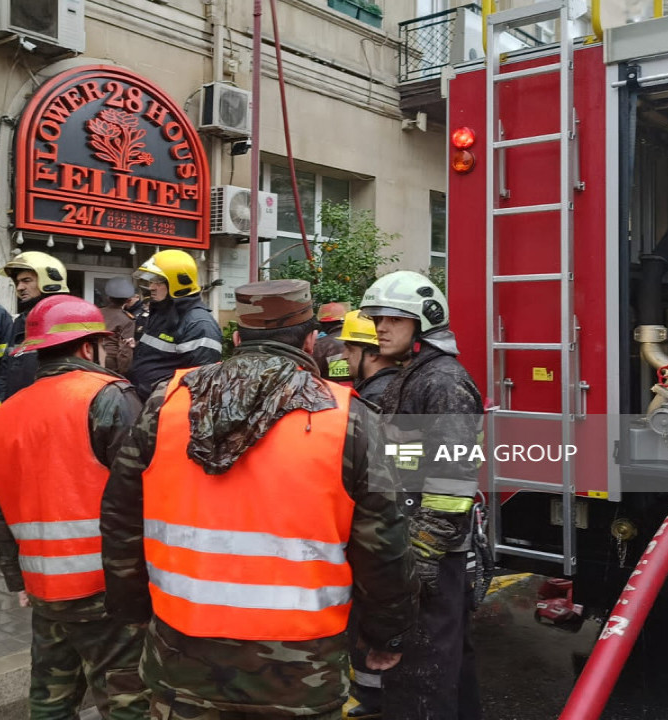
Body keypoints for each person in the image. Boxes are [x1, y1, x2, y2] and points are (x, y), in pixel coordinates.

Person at [101, 278, 418, 719]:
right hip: (301, 672)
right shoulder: (348, 420)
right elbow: (383, 545)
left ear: (235, 338)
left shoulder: (165, 405)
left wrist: (132, 610)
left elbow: (120, 519)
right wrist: (387, 635)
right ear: (310, 340)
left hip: (181, 659)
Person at [0, 295, 148, 719]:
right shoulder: (110, 397)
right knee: (126, 699)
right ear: (88, 347)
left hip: (44, 589)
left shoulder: (2, 416)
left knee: (51, 698)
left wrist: (17, 580)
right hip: (107, 588)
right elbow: (143, 492)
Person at [358, 270, 485, 720]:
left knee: (421, 675)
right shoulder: (415, 376)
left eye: (394, 318)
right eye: (377, 320)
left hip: (429, 551)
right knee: (446, 665)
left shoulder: (442, 382)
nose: (381, 328)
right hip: (417, 544)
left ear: (424, 321)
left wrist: (423, 554)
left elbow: (453, 480)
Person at [336, 308, 402, 719]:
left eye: (349, 347)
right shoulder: (392, 388)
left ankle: (373, 697)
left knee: (368, 607)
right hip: (390, 514)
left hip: (378, 516)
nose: (344, 355)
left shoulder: (375, 398)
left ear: (369, 352)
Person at [126, 250, 222, 401]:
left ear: (178, 283)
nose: (151, 287)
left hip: (164, 410)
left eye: (158, 281)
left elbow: (200, 384)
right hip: (146, 404)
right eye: (151, 281)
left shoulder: (200, 324)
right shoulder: (160, 312)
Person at [0, 251, 68, 398]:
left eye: (27, 280)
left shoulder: (65, 318)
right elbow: (7, 367)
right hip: (19, 405)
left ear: (48, 280)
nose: (19, 287)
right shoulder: (20, 321)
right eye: (18, 282)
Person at [339, 309, 401, 409]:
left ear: (373, 354)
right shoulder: (394, 383)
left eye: (350, 350)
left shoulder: (375, 396)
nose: (344, 357)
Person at [98, 276, 137, 375]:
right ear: (128, 300)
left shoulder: (96, 312)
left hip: (92, 358)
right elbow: (125, 349)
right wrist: (123, 371)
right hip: (112, 365)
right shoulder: (127, 320)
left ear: (108, 298)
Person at [312, 301, 353, 382]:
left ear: (324, 324)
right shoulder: (359, 340)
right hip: (359, 390)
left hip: (332, 390)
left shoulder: (320, 345)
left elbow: (313, 373)